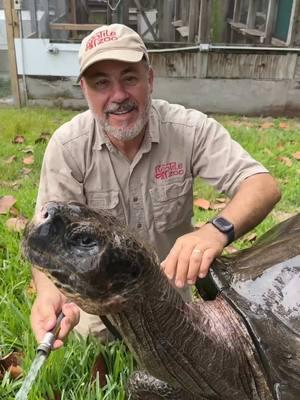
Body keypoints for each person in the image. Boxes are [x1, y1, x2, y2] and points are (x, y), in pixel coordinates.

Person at [30, 23, 281, 349]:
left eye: (129, 78)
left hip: (171, 305)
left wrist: (214, 231)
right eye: (101, 83)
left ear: (150, 79)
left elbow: (262, 185)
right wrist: (50, 296)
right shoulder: (68, 147)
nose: (118, 96)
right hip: (97, 313)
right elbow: (47, 239)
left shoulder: (189, 129)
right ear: (84, 89)